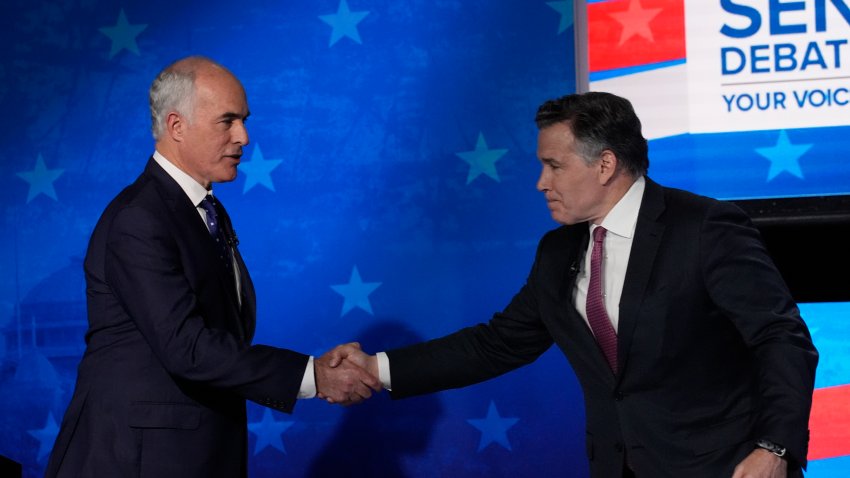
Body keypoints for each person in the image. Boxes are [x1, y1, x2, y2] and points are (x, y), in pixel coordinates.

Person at [334, 92, 819, 478]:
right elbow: (496, 344)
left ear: (605, 165)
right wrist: (377, 370)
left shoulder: (704, 227)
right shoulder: (558, 251)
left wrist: (774, 449)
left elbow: (782, 340)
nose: (541, 182)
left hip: (727, 468)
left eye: (555, 165)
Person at [44, 56, 380, 478]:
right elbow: (188, 347)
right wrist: (311, 375)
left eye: (244, 120)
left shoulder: (206, 210)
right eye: (228, 121)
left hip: (198, 452)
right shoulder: (139, 219)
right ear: (176, 126)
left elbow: (225, 334)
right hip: (140, 461)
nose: (244, 136)